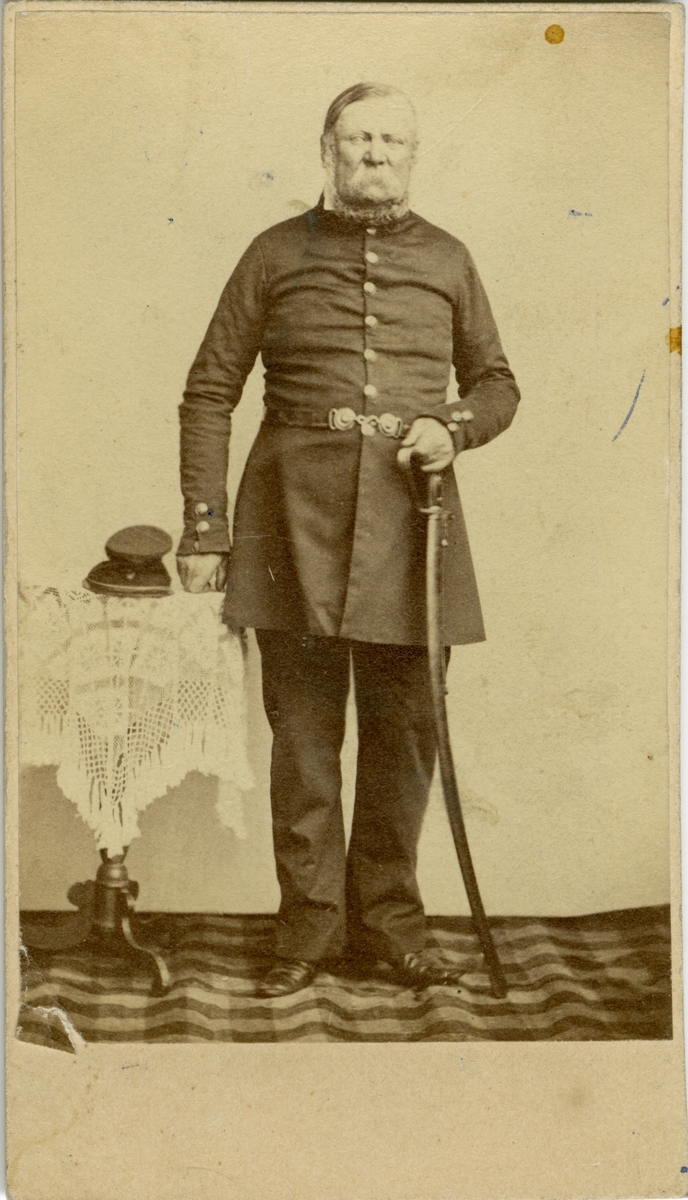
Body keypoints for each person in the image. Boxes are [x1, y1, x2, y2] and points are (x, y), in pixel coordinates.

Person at [177, 82, 520, 997]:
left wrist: (453, 426)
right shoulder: (273, 252)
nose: (375, 154)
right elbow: (209, 390)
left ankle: (391, 930)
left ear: (412, 155)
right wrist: (206, 529)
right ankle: (309, 933)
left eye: (391, 141)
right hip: (292, 522)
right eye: (359, 137)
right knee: (302, 741)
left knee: (405, 737)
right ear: (327, 148)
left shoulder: (448, 258)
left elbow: (497, 383)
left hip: (414, 521)